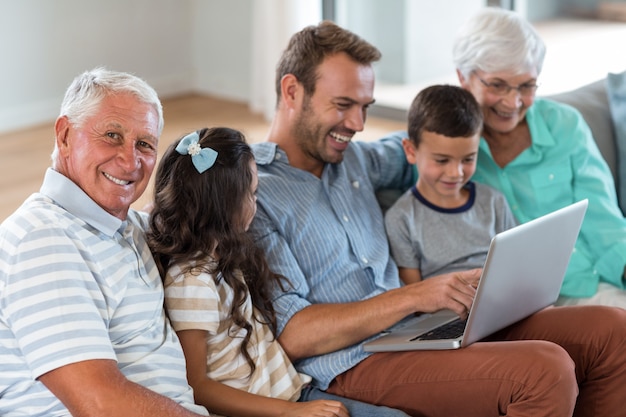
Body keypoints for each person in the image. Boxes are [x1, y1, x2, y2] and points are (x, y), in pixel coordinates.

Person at [247, 20, 626, 417]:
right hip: (353, 360)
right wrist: (419, 294)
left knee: (613, 330)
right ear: (292, 91)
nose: (357, 125)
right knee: (545, 371)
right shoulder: (254, 192)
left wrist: (494, 101)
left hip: (421, 330)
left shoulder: (356, 159)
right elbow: (294, 335)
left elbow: (431, 140)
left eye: (365, 108)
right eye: (343, 105)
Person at [147, 127, 409, 417]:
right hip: (273, 405)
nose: (256, 206)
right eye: (253, 193)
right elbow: (197, 386)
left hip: (292, 390)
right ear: (225, 204)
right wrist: (288, 411)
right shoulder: (192, 281)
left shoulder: (223, 258)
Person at [0, 68, 208, 417]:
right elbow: (100, 404)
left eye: (144, 144)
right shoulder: (43, 241)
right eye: (112, 135)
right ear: (64, 135)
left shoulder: (127, 228)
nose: (130, 161)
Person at [453, 7, 626, 307]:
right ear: (463, 77)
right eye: (497, 85)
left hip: (596, 285)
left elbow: (604, 220)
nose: (513, 102)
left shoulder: (565, 125)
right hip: (519, 305)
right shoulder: (445, 148)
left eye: (526, 86)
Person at [385, 84, 517, 284]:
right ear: (411, 151)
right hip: (449, 312)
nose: (456, 173)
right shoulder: (401, 219)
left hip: (504, 300)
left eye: (468, 159)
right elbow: (414, 296)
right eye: (441, 160)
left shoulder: (493, 201)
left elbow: (514, 263)